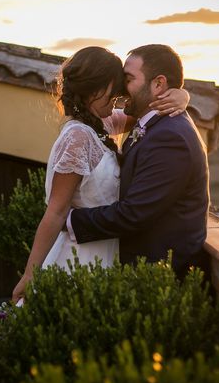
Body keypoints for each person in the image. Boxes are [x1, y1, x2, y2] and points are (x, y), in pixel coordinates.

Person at [11, 46, 189, 302]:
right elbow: (56, 211)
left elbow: (147, 110)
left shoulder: (102, 122)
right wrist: (30, 273)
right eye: (114, 88)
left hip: (107, 249)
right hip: (81, 256)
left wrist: (182, 95)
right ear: (94, 89)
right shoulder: (77, 137)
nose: (120, 94)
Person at [68, 44, 210, 280]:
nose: (120, 88)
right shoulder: (152, 124)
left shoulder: (170, 136)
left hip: (159, 278)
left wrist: (70, 220)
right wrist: (182, 94)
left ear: (158, 84)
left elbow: (134, 213)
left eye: (128, 79)